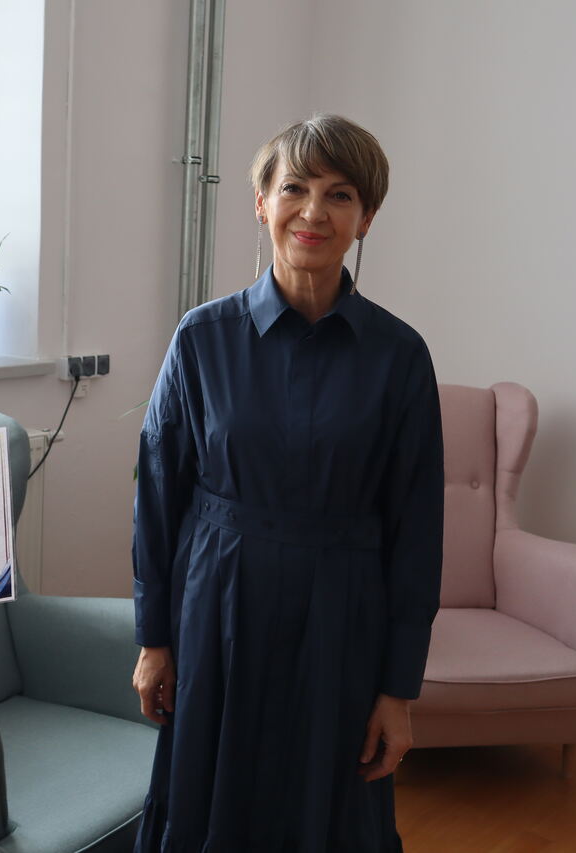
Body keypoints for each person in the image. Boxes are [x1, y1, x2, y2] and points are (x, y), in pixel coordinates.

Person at [131, 114, 443, 852]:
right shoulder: (201, 338)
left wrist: (398, 689)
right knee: (210, 799)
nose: (314, 211)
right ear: (262, 203)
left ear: (366, 218)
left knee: (327, 807)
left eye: (340, 195)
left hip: (342, 618)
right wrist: (154, 640)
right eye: (295, 188)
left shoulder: (400, 356)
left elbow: (417, 531)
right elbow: (157, 496)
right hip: (218, 607)